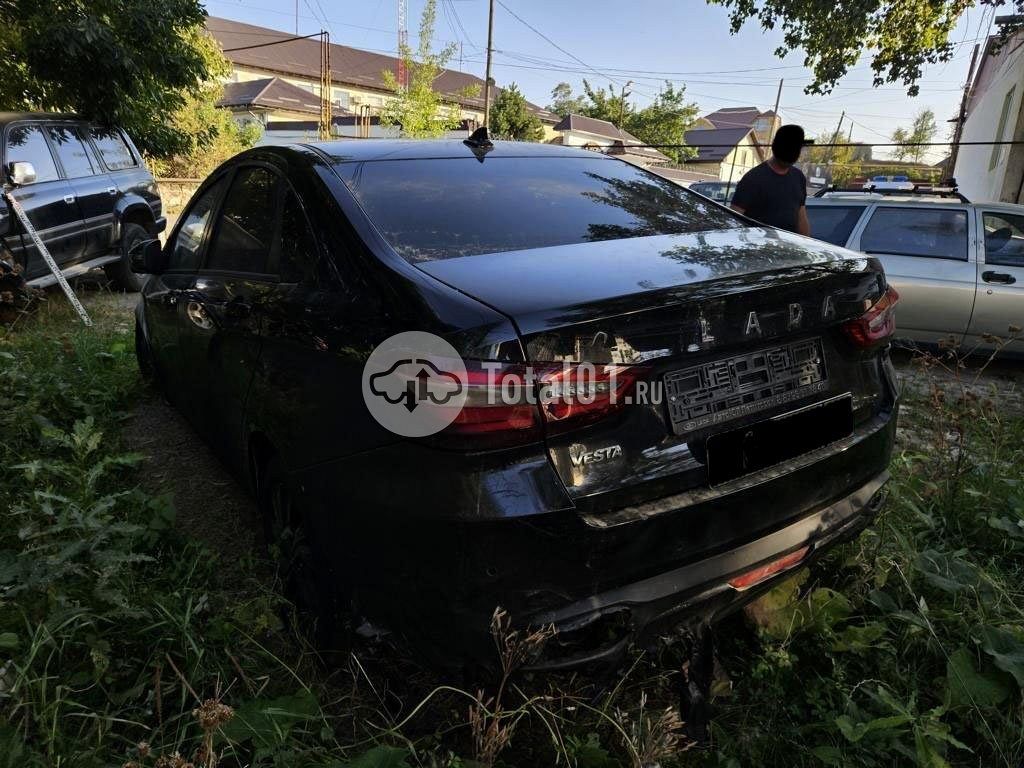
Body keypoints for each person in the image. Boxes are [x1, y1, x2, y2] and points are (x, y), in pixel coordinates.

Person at [730, 124, 811, 235]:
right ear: (775, 146)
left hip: (789, 248)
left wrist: (805, 244)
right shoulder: (753, 178)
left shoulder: (798, 177)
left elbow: (801, 216)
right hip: (759, 248)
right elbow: (734, 219)